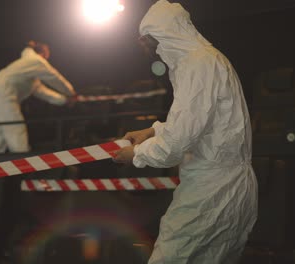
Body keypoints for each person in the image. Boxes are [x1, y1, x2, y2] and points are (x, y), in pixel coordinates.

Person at [113, 1, 258, 263]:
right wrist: (152, 131)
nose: (154, 51)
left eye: (153, 41)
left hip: (210, 192)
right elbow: (201, 124)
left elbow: (175, 145)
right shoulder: (207, 59)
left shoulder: (197, 65)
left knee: (169, 257)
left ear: (166, 34)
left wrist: (135, 154)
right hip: (230, 187)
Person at [0, 40, 76, 153]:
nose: (47, 59)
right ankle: (23, 165)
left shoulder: (28, 70)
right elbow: (54, 77)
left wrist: (64, 100)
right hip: (4, 90)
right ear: (43, 53)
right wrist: (71, 93)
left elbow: (43, 92)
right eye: (47, 55)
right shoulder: (36, 61)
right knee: (15, 128)